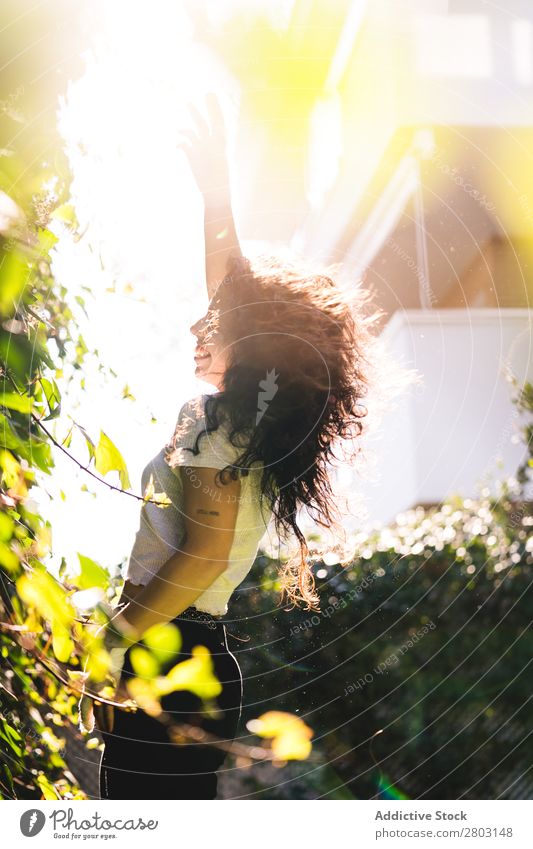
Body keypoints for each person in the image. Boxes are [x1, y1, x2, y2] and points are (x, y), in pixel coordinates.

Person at [95, 93, 381, 800]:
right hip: (187, 650)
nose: (198, 320)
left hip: (172, 649)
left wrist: (109, 642)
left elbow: (202, 557)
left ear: (252, 344)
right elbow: (229, 283)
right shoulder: (250, 431)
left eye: (215, 319)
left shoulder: (212, 421)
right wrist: (215, 191)